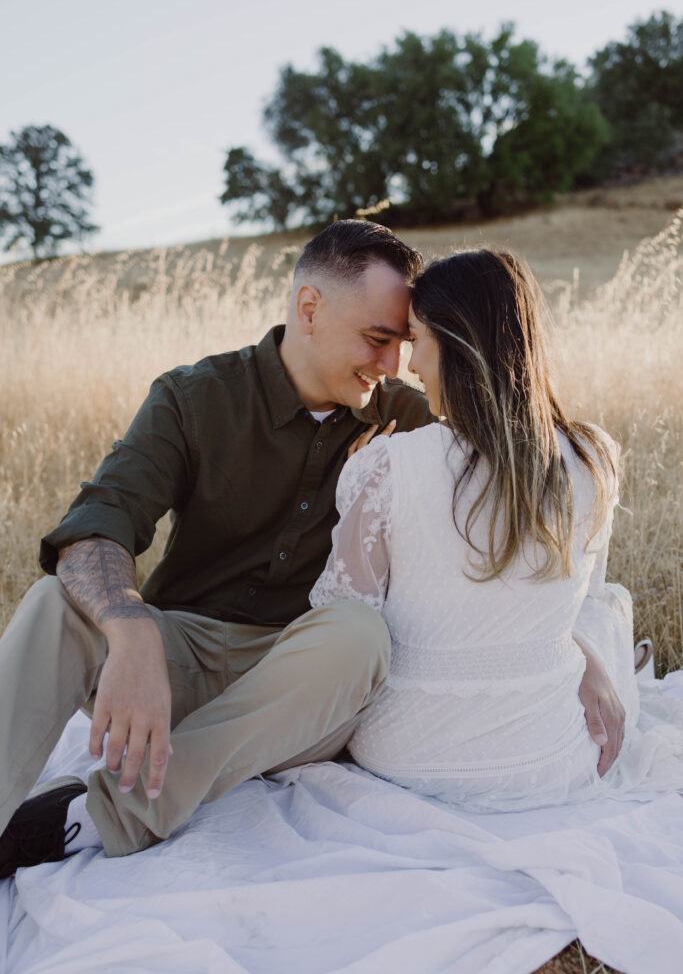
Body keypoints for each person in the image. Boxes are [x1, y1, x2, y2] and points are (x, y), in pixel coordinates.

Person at [0, 225, 624, 878]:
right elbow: (96, 525)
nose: (392, 366)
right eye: (377, 339)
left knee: (356, 632)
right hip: (177, 659)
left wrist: (573, 647)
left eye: (405, 344)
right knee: (53, 603)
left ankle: (111, 814)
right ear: (308, 309)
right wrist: (128, 633)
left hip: (309, 689)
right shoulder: (193, 397)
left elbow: (528, 523)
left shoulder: (410, 423)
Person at [311, 247, 683, 810]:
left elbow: (338, 631)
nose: (410, 366)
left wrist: (356, 488)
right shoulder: (594, 457)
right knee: (603, 609)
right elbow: (578, 597)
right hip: (550, 759)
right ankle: (614, 668)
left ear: (457, 344)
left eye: (417, 341)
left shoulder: (385, 466)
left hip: (403, 753)